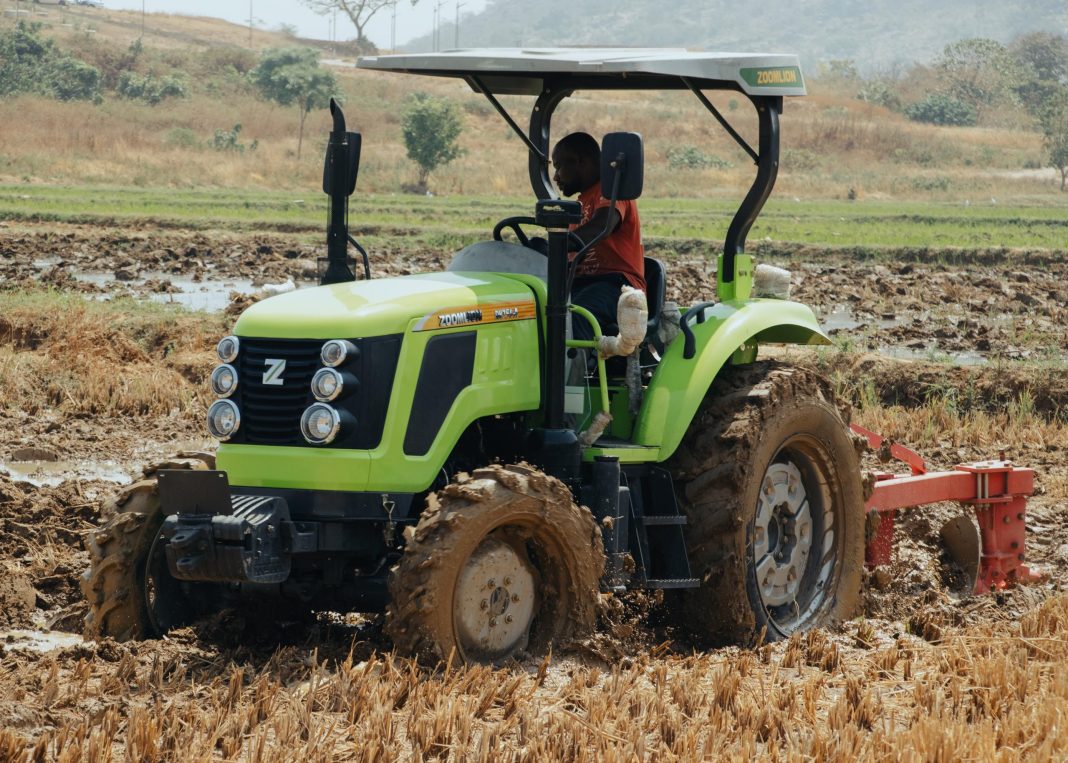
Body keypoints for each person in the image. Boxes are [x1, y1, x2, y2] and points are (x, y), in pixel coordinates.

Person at [550, 132, 645, 341]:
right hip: (582, 281)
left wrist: (557, 246)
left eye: (558, 167)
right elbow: (576, 254)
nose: (555, 177)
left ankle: (573, 373)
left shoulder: (612, 189)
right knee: (539, 313)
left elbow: (602, 226)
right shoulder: (581, 203)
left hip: (617, 284)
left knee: (572, 320)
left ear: (581, 162)